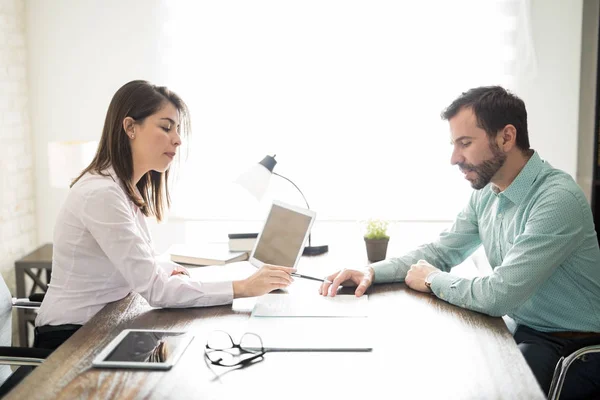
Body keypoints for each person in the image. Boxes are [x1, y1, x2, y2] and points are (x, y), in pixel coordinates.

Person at [320, 86, 600, 399]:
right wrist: (373, 271)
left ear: (506, 138)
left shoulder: (556, 200)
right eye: (455, 144)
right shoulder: (487, 193)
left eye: (465, 144)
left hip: (576, 348)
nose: (455, 158)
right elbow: (441, 251)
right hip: (526, 330)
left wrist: (431, 280)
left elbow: (498, 295)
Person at [35, 80, 295, 350]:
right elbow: (156, 291)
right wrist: (244, 287)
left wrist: (168, 269)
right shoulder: (101, 194)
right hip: (69, 338)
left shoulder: (122, 188)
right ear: (130, 127)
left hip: (103, 324)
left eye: (178, 129)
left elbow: (135, 266)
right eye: (166, 127)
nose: (178, 139)